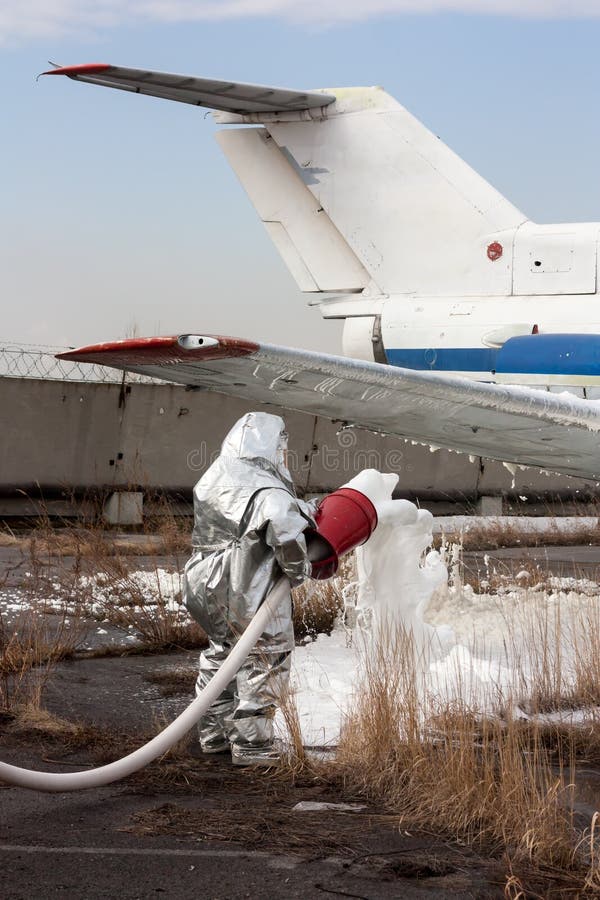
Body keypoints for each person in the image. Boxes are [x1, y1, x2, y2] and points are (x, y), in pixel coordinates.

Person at [183, 411, 316, 766]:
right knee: (265, 657)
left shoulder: (214, 476)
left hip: (204, 583)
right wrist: (300, 570)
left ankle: (213, 734)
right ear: (272, 447)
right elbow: (282, 528)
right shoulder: (264, 484)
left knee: (221, 654)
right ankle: (254, 746)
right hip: (246, 583)